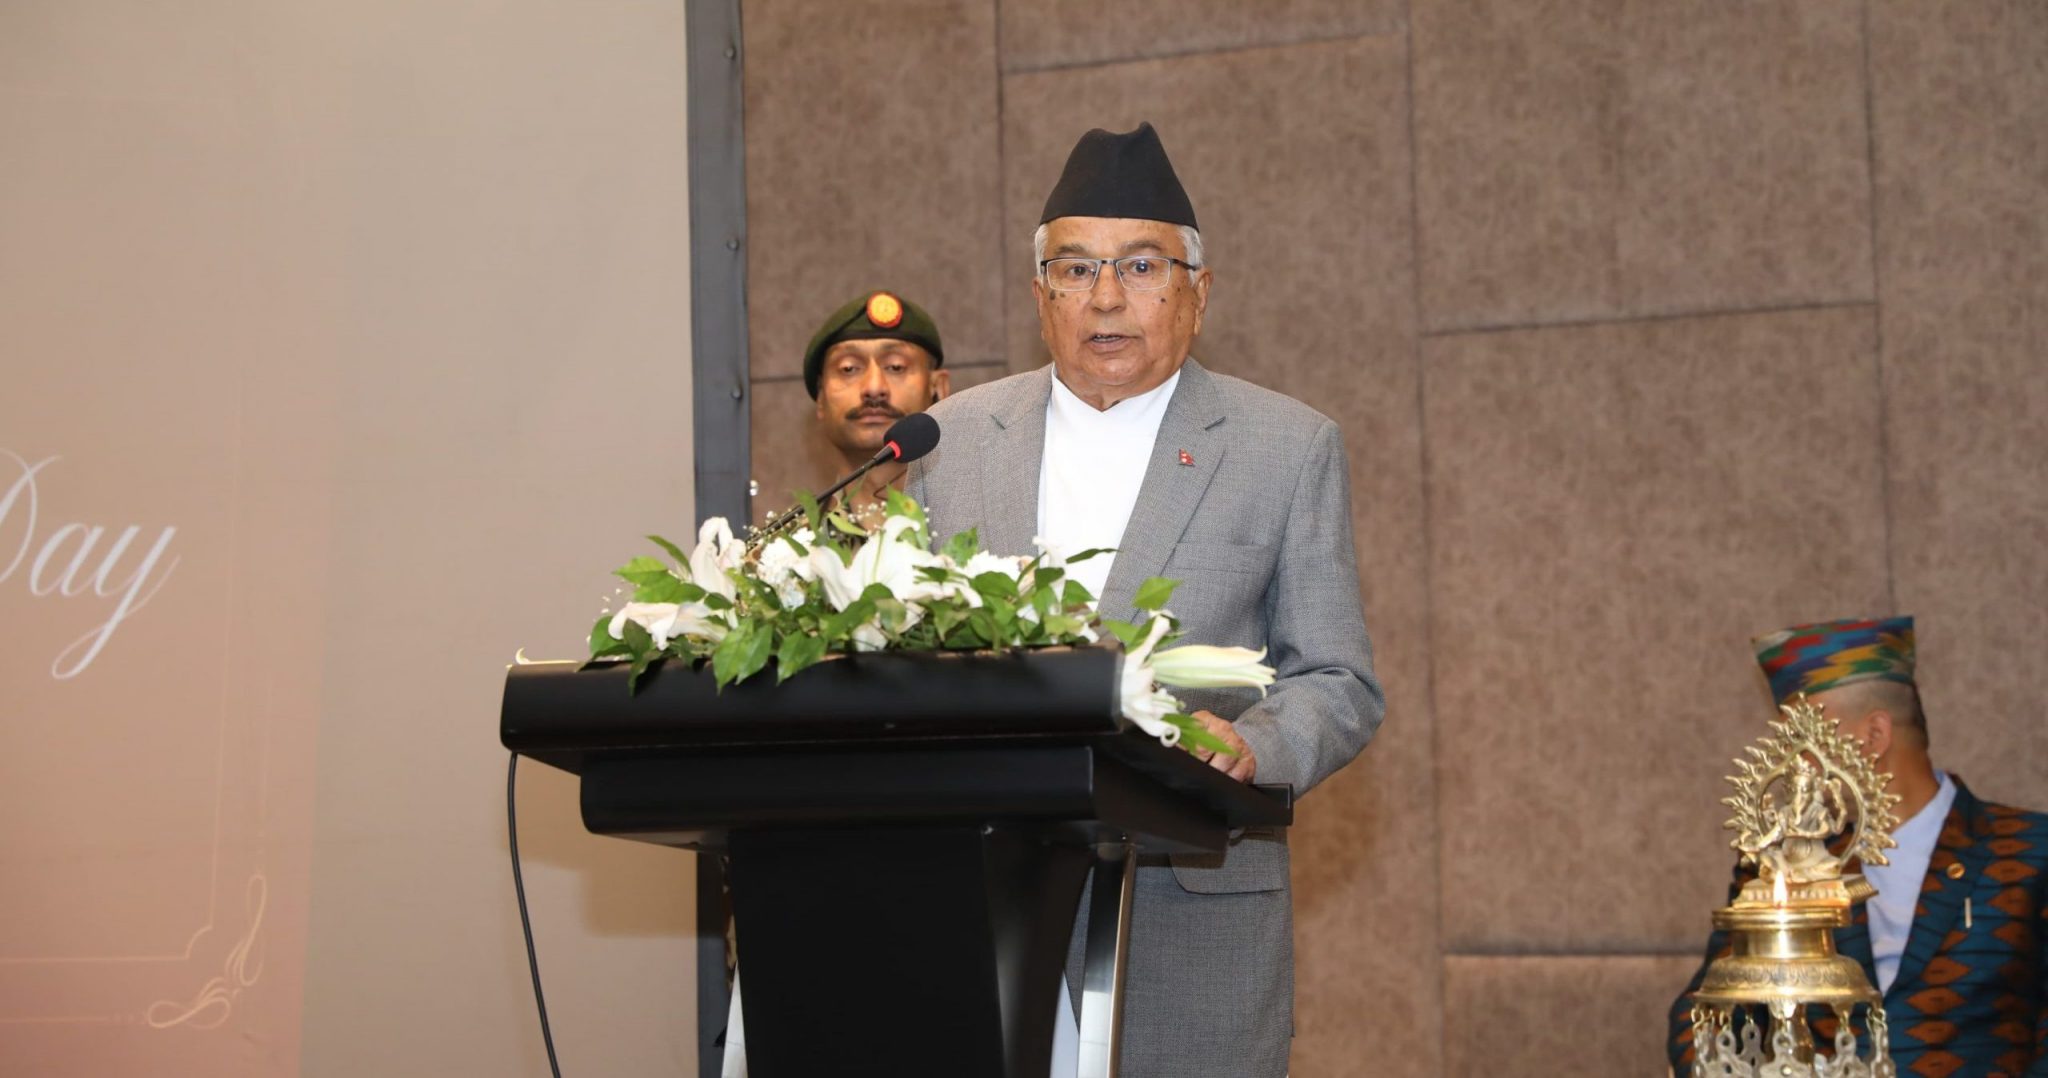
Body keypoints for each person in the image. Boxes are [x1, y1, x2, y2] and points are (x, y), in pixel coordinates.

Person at [907, 121, 1384, 1077]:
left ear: (1198, 293)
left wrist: (1257, 746)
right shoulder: (950, 441)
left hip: (1188, 907)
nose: (1106, 297)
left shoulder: (1285, 446)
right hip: (981, 902)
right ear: (1041, 296)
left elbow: (1339, 680)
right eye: (1075, 269)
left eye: (1140, 266)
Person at [1666, 616, 2048, 1077]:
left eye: (1803, 741)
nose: (1792, 765)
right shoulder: (1785, 866)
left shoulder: (2027, 854)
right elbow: (1704, 1011)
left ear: (1873, 737)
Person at [801, 290, 949, 528]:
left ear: (938, 388)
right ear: (820, 397)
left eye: (896, 367)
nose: (874, 388)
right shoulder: (794, 545)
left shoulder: (982, 524)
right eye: (849, 368)